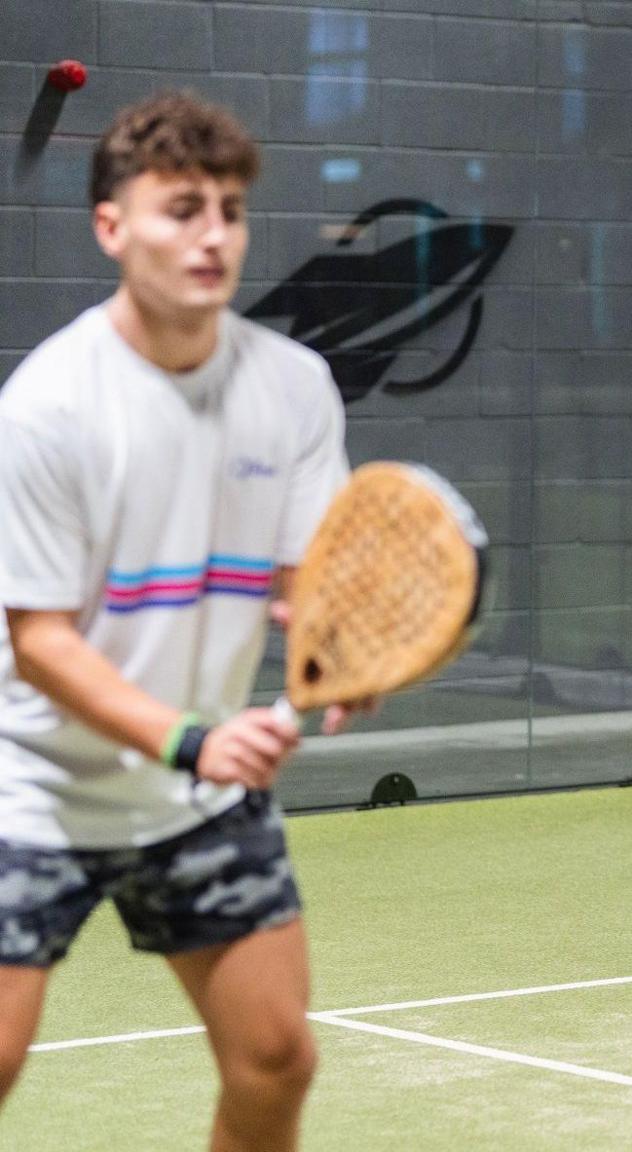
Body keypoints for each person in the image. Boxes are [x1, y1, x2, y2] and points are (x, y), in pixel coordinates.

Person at [0, 92, 368, 1150]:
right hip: (36, 787)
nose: (213, 236)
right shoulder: (50, 407)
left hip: (196, 796)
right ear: (112, 226)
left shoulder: (293, 388)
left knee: (276, 1059)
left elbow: (303, 584)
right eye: (181, 210)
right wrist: (193, 741)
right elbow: (40, 643)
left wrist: (336, 650)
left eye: (230, 210)